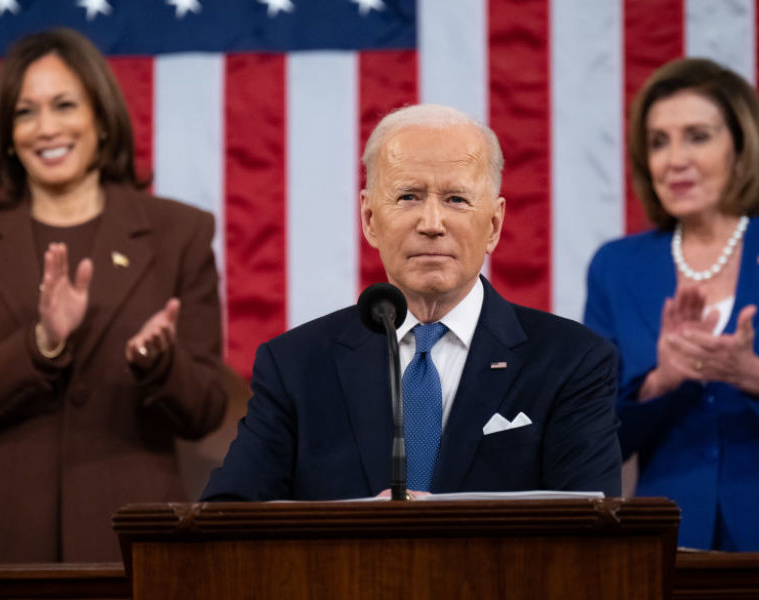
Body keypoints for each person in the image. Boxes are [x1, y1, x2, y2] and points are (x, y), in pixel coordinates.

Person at [0, 28, 239, 563]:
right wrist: (40, 343)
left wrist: (160, 364)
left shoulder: (179, 233)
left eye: (64, 105)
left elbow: (205, 409)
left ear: (102, 120)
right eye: (25, 112)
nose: (46, 128)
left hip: (134, 547)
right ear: (6, 130)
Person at [201, 104, 622, 502]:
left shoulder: (572, 362)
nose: (432, 224)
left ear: (493, 224)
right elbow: (228, 514)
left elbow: (592, 534)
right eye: (408, 197)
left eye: (456, 199)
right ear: (369, 219)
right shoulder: (295, 366)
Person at [583, 58, 759, 551]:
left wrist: (755, 374)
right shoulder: (617, 266)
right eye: (659, 141)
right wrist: (660, 381)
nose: (674, 158)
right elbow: (593, 437)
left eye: (697, 136)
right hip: (669, 544)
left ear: (742, 146)